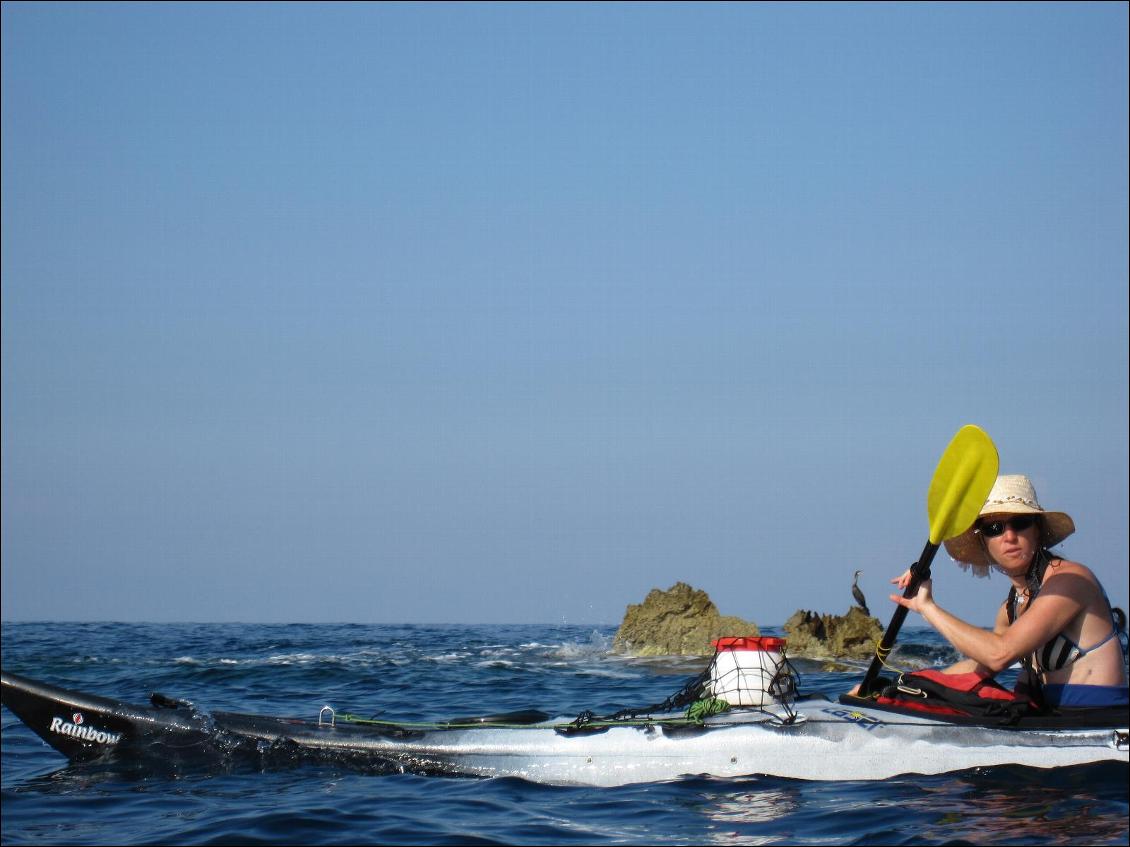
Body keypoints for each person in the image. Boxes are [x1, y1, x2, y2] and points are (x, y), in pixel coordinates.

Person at [889, 474, 1128, 709]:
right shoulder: (1009, 609)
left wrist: (927, 607)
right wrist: (906, 688)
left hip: (1100, 722)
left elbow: (999, 653)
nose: (1010, 536)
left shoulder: (1070, 581)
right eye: (995, 528)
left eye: (1020, 523)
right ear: (984, 541)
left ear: (1038, 530)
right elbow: (983, 665)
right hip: (1054, 722)